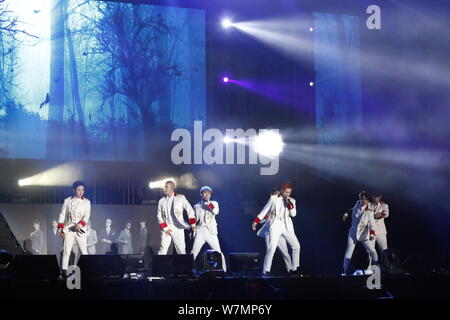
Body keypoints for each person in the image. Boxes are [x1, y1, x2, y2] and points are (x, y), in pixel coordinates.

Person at [253, 182, 301, 276]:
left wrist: (290, 204)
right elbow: (265, 210)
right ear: (282, 191)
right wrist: (256, 221)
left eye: (289, 192)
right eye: (286, 192)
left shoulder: (292, 201)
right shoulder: (274, 199)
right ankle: (266, 271)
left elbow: (293, 214)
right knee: (272, 247)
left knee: (296, 246)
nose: (287, 194)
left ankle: (294, 268)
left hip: (286, 225)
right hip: (275, 224)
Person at [57, 181, 91, 275]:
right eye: (79, 190)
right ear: (74, 190)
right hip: (69, 228)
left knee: (84, 251)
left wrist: (79, 225)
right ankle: (64, 271)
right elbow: (62, 215)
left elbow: (87, 216)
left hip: (80, 229)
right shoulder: (67, 200)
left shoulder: (87, 202)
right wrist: (60, 229)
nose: (81, 192)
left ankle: (88, 270)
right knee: (67, 250)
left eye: (82, 190)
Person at [190, 186, 227, 272]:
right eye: (204, 192)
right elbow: (194, 218)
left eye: (208, 193)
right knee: (194, 252)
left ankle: (224, 271)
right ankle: (189, 270)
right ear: (201, 194)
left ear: (210, 194)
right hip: (200, 231)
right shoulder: (197, 206)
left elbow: (216, 212)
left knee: (218, 252)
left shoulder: (214, 203)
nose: (206, 194)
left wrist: (208, 203)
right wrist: (192, 228)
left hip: (211, 231)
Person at [342, 191, 378, 275]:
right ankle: (345, 270)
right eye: (361, 199)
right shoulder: (357, 203)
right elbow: (351, 209)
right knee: (349, 250)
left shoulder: (369, 211)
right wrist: (346, 214)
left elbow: (372, 224)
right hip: (353, 233)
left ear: (367, 200)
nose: (362, 201)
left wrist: (372, 234)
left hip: (363, 235)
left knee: (372, 251)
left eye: (364, 199)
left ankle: (376, 267)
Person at [157, 180, 197, 255]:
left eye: (166, 187)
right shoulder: (161, 201)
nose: (164, 189)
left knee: (181, 251)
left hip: (178, 227)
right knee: (162, 250)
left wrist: (193, 224)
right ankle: (160, 266)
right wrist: (165, 228)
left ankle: (184, 266)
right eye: (164, 187)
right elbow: (159, 216)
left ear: (172, 188)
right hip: (167, 227)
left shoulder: (181, 198)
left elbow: (190, 210)